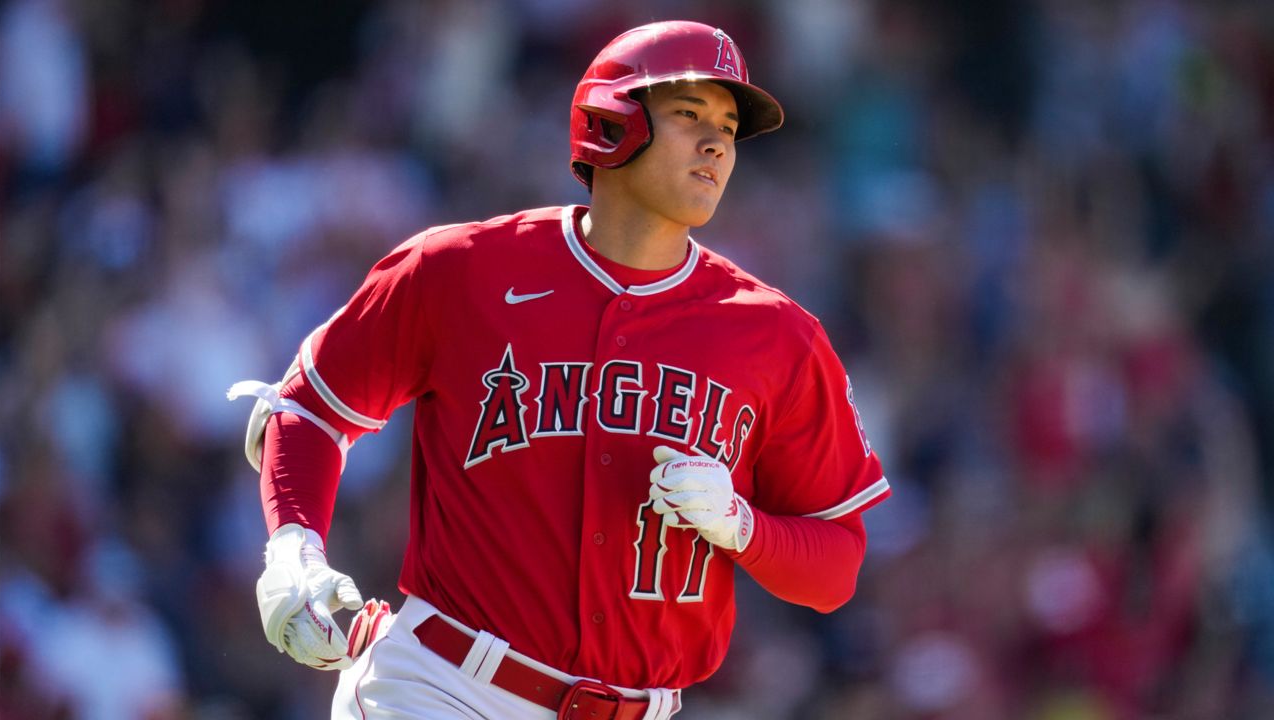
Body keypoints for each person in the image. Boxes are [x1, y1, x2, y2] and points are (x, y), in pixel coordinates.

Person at [229, 20, 890, 720]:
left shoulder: (776, 334)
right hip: (445, 686)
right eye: (690, 115)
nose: (717, 144)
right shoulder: (462, 271)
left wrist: (744, 525)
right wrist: (293, 548)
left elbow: (836, 565)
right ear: (611, 123)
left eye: (728, 126)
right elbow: (308, 410)